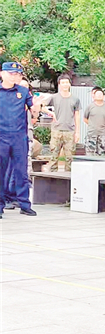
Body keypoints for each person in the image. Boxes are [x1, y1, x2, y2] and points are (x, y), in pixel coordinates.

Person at [0, 62, 37, 218]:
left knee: (21, 171)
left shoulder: (23, 91)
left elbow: (33, 111)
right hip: (1, 136)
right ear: (2, 74)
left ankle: (24, 204)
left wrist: (37, 107)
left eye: (17, 74)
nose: (14, 76)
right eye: (11, 73)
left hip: (19, 137)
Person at [41, 74, 80, 172]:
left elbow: (77, 115)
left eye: (67, 82)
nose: (65, 85)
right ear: (59, 84)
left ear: (70, 84)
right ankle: (53, 177)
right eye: (63, 83)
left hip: (70, 131)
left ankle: (68, 177)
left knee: (69, 157)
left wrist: (77, 132)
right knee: (54, 156)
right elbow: (41, 106)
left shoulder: (75, 99)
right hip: (56, 130)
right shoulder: (54, 97)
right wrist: (51, 113)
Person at [83, 87, 105, 156]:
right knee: (90, 153)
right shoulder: (90, 106)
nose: (99, 96)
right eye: (97, 94)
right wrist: (92, 125)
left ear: (103, 96)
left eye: (101, 94)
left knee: (101, 153)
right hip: (92, 133)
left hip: (102, 133)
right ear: (94, 96)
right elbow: (85, 119)